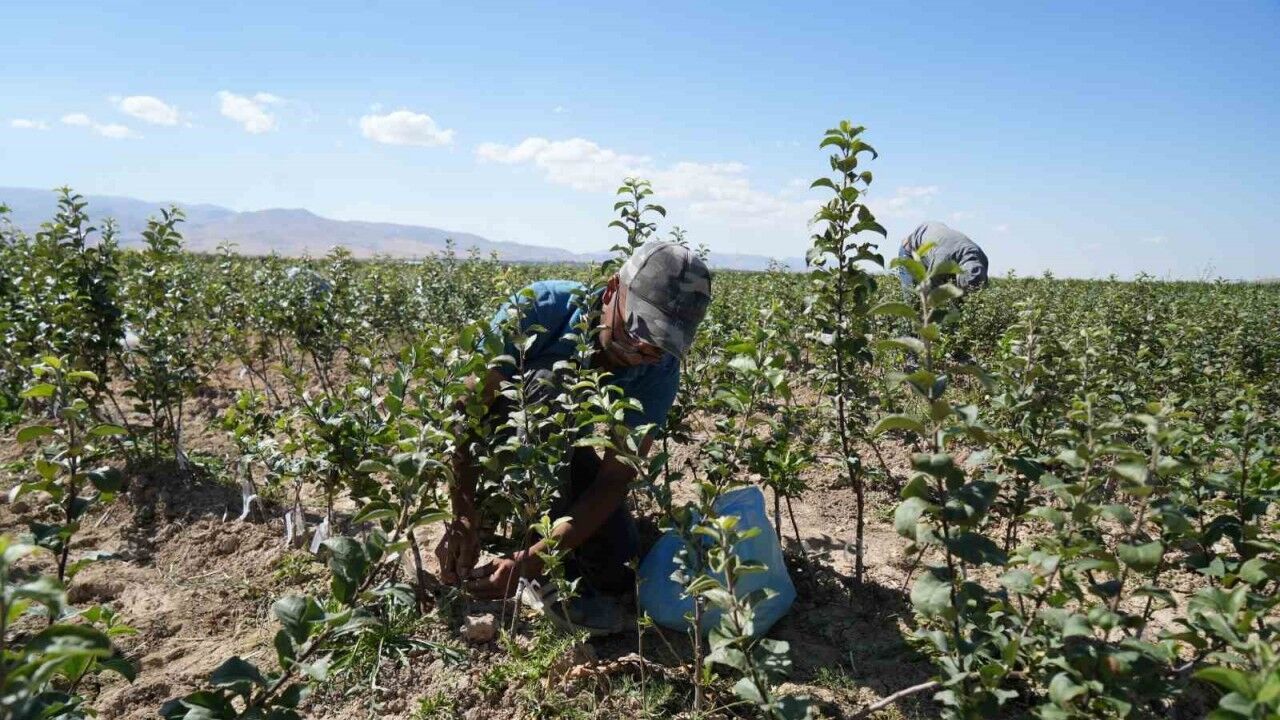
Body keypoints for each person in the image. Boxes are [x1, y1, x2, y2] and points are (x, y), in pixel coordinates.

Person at [435, 240, 712, 635]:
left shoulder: (659, 370)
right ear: (612, 290)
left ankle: (534, 551)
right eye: (638, 330)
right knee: (548, 383)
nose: (642, 350)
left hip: (563, 452)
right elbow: (466, 411)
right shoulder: (541, 308)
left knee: (619, 564)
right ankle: (505, 527)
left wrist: (533, 559)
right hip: (501, 443)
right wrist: (462, 512)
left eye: (660, 345)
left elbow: (614, 478)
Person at [896, 221, 989, 293]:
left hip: (938, 238)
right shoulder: (941, 261)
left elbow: (979, 288)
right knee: (912, 296)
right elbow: (931, 291)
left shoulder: (982, 259)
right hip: (910, 250)